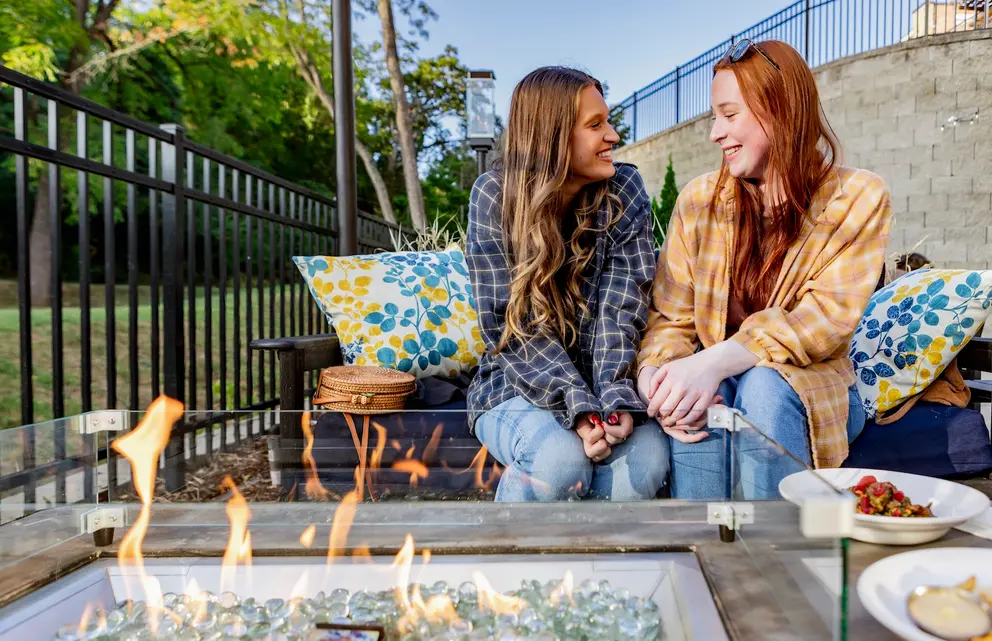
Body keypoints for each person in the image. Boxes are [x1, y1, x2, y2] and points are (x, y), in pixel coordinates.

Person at [636, 40, 892, 500]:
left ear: (781, 112)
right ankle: (703, 552)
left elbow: (823, 320)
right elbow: (669, 320)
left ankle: (779, 560)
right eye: (715, 116)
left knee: (763, 386)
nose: (715, 132)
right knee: (697, 401)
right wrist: (662, 376)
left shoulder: (858, 197)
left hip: (812, 384)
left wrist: (712, 362)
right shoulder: (698, 202)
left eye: (729, 115)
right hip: (722, 380)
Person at [466, 66, 669, 502]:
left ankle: (598, 570)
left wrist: (613, 399)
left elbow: (624, 307)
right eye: (595, 125)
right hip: (514, 383)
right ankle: (509, 562)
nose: (612, 136)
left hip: (605, 380)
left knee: (646, 463)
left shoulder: (624, 190)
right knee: (561, 461)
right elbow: (509, 326)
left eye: (607, 122)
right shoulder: (494, 198)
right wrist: (574, 406)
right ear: (552, 138)